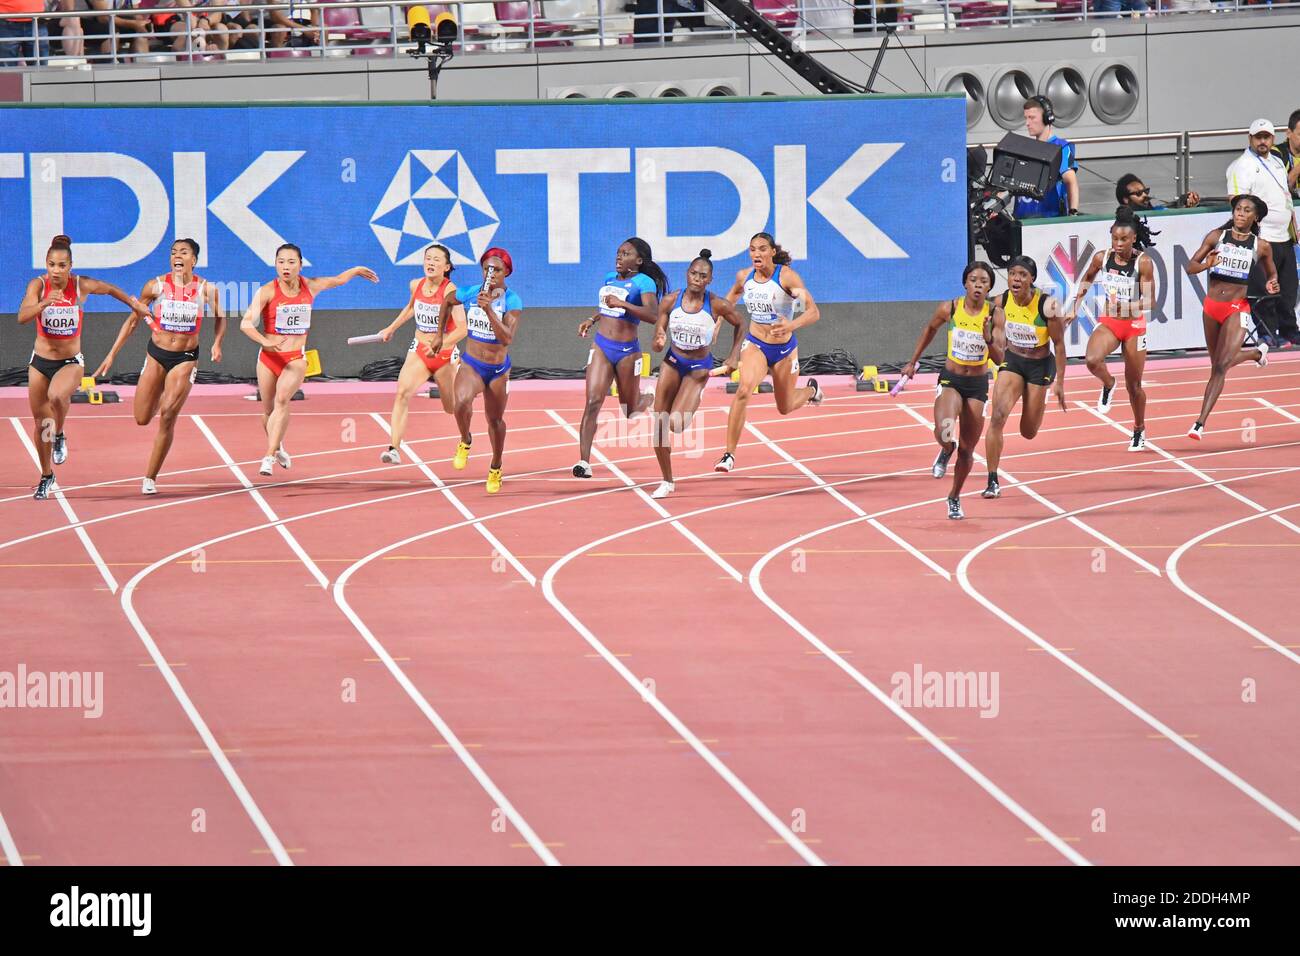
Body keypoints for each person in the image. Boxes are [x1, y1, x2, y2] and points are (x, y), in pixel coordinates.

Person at [16, 235, 151, 499]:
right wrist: (43, 303)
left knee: (56, 396)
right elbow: (22, 316)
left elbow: (110, 289)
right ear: (46, 264)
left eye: (62, 265)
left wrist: (134, 304)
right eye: (52, 265)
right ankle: (46, 474)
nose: (56, 271)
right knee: (42, 423)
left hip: (70, 361)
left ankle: (61, 433)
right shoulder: (38, 285)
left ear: (70, 266)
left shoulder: (81, 286)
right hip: (40, 361)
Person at [93, 238, 225, 494]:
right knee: (142, 418)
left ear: (193, 261)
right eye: (174, 252)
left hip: (185, 357)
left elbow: (220, 317)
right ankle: (163, 391)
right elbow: (133, 320)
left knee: (167, 416)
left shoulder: (206, 290)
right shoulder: (155, 286)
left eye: (183, 252)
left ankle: (150, 477)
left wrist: (217, 343)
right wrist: (111, 355)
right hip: (156, 355)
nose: (177, 256)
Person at [240, 245, 378, 477]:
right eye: (281, 262)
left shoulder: (311, 286)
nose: (286, 266)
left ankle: (269, 455)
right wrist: (264, 341)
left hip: (295, 358)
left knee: (283, 399)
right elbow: (245, 323)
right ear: (275, 264)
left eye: (291, 262)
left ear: (300, 265)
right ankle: (278, 446)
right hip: (268, 357)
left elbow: (337, 281)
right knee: (267, 411)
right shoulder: (267, 291)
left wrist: (355, 270)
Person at [900, 261, 1004, 520]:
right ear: (965, 283)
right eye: (973, 280)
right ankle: (946, 449)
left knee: (968, 450)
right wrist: (913, 361)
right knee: (945, 430)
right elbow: (930, 328)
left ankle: (954, 496)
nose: (978, 285)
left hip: (977, 385)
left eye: (984, 281)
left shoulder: (995, 314)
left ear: (990, 286)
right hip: (952, 380)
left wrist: (988, 337)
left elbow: (1001, 358)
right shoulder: (951, 307)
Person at [713, 232, 823, 474]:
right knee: (743, 390)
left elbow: (813, 312)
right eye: (752, 249)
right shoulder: (745, 277)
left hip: (784, 349)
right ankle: (728, 454)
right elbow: (730, 297)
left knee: (784, 407)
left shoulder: (786, 277)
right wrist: (718, 319)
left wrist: (791, 325)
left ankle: (812, 390)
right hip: (756, 344)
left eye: (762, 249)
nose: (756, 254)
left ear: (773, 252)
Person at [648, 250, 742, 499]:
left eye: (703, 275)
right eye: (694, 273)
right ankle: (667, 481)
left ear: (709, 279)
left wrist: (734, 356)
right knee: (659, 425)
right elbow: (659, 329)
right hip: (672, 361)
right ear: (687, 274)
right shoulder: (670, 300)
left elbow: (741, 324)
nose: (697, 279)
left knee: (676, 425)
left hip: (698, 370)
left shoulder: (717, 304)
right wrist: (658, 339)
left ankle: (696, 393)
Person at [573, 237, 666, 479]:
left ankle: (647, 397)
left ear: (638, 260)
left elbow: (652, 315)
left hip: (626, 352)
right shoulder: (609, 278)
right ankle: (584, 462)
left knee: (630, 411)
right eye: (618, 253)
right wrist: (591, 320)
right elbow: (606, 307)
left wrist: (623, 304)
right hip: (602, 346)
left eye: (625, 254)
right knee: (593, 401)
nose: (619, 257)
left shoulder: (644, 282)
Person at [1184, 195, 1276, 439]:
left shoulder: (1261, 246)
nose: (1241, 214)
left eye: (1247, 211)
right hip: (1212, 306)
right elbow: (1190, 266)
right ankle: (1256, 353)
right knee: (1217, 363)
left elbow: (1271, 274)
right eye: (1238, 209)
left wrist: (1272, 283)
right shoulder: (1217, 236)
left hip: (1238, 307)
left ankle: (1199, 423)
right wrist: (1206, 264)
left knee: (1221, 366)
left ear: (1255, 217)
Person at [1068, 207, 1156, 451]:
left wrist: (1128, 305)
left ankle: (1138, 429)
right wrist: (1075, 306)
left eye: (1124, 239)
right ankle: (1108, 383)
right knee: (1092, 360)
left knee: (1134, 386)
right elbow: (1087, 278)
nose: (1119, 244)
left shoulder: (1143, 262)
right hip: (1110, 321)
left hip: (1134, 326)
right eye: (1115, 239)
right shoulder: (1101, 257)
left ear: (1133, 238)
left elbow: (1151, 301)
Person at [982, 255, 1067, 500]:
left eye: (1022, 275)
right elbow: (993, 337)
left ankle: (1037, 400)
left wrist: (1060, 382)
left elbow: (1059, 345)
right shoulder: (1000, 301)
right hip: (1014, 361)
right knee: (997, 416)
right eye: (1012, 274)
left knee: (1028, 431)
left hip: (1040, 365)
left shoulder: (1047, 306)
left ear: (1031, 280)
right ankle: (992, 480)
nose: (1016, 279)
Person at [442, 248, 521, 495]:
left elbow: (507, 338)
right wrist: (438, 334)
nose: (491, 273)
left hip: (497, 370)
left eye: (497, 269)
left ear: (506, 272)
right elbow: (447, 300)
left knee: (494, 421)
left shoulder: (512, 300)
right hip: (472, 365)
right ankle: (465, 440)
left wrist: (488, 309)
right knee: (461, 403)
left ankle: (496, 466)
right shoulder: (470, 292)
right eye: (487, 268)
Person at [377, 243, 466, 464]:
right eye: (428, 258)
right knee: (402, 392)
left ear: (446, 267)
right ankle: (394, 448)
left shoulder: (450, 292)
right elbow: (410, 308)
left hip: (444, 355)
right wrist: (391, 328)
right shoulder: (415, 284)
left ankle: (466, 437)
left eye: (437, 260)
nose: (431, 262)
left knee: (451, 407)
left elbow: (463, 328)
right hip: (419, 350)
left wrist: (441, 345)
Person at [1226, 118, 1298, 347]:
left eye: (1266, 137)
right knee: (1265, 288)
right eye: (1258, 137)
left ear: (1273, 139)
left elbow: (1285, 196)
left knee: (1288, 288)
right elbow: (1237, 201)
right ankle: (1267, 332)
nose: (1263, 141)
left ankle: (1290, 330)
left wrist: (1293, 225)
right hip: (1263, 237)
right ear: (1250, 138)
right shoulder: (1242, 165)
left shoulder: (1277, 162)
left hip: (1284, 235)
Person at [1013, 96, 1080, 220]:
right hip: (1021, 222)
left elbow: (1071, 181)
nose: (1027, 123)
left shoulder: (1061, 147)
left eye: (1032, 118)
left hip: (1049, 221)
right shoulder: (1024, 149)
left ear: (1047, 118)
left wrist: (1073, 214)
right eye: (1026, 118)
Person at [1115, 173, 1200, 210]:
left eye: (1146, 191)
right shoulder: (1121, 223)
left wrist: (1188, 206)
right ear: (1125, 199)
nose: (1145, 195)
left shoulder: (1159, 210)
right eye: (1138, 193)